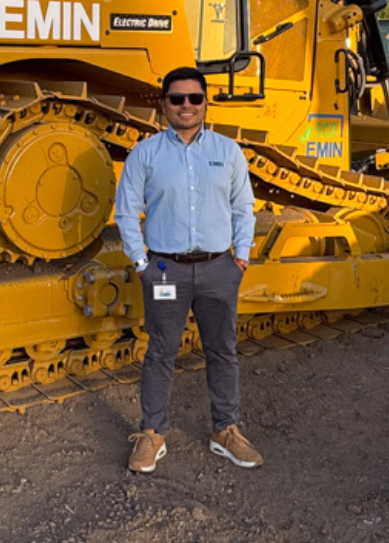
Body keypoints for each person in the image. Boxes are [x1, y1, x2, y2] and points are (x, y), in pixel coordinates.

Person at [115, 66, 260, 472]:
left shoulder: (227, 151)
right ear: (164, 105)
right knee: (160, 351)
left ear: (205, 103)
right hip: (165, 270)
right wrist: (142, 263)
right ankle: (152, 433)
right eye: (177, 99)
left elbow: (243, 207)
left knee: (222, 350)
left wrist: (241, 257)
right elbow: (126, 212)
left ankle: (226, 430)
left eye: (194, 98)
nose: (186, 106)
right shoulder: (145, 154)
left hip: (218, 268)